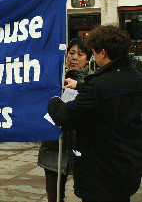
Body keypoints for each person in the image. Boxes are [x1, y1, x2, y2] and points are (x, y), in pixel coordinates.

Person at [47, 24, 142, 202]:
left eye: (93, 51)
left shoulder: (98, 86)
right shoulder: (136, 78)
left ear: (103, 52)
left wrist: (53, 100)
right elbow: (110, 93)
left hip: (101, 172)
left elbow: (65, 116)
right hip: (128, 167)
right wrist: (80, 85)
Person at [38, 37, 92, 202]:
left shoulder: (93, 83)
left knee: (87, 191)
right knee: (54, 194)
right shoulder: (55, 79)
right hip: (54, 145)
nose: (74, 58)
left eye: (80, 54)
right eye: (71, 53)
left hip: (81, 147)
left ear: (88, 59)